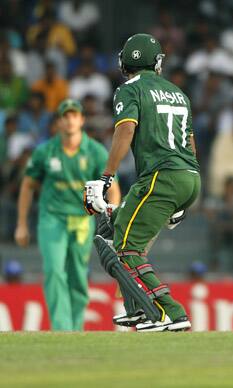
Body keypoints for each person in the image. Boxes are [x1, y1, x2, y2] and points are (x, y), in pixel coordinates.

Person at [83, 34, 201, 332]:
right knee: (114, 227)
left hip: (161, 177)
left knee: (126, 249)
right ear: (158, 61)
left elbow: (125, 133)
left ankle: (170, 312)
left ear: (125, 61)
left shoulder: (129, 90)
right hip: (189, 176)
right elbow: (190, 144)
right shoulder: (178, 93)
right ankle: (136, 308)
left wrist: (105, 178)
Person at [15, 98, 121, 331]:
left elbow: (113, 188)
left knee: (77, 275)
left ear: (82, 120)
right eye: (65, 116)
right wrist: (21, 224)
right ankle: (61, 328)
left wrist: (113, 223)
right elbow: (27, 185)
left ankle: (75, 328)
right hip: (51, 218)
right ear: (59, 122)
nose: (70, 120)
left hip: (82, 220)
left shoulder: (94, 151)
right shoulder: (45, 151)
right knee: (54, 270)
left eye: (74, 115)